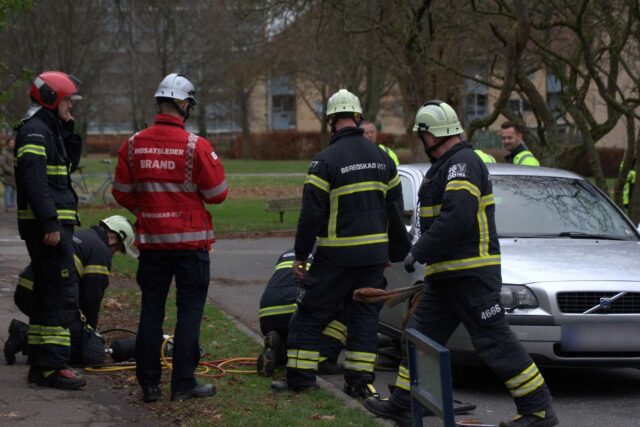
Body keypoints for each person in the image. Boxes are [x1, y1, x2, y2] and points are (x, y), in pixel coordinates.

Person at [363, 100, 558, 427]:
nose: (421, 143)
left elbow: (458, 216)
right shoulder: (447, 165)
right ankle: (402, 402)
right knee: (417, 335)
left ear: (432, 135)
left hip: (471, 274)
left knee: (494, 342)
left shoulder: (463, 163)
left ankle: (537, 410)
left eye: (422, 136)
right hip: (447, 275)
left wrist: (419, 250)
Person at [271, 89, 403, 398]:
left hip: (335, 256)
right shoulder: (383, 158)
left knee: (309, 313)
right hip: (373, 258)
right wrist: (392, 253)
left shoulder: (324, 161)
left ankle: (301, 379)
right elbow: (395, 211)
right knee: (364, 319)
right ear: (358, 118)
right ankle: (358, 382)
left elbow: (310, 216)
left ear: (331, 121)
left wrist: (300, 256)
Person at [112, 73, 228, 403]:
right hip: (191, 246)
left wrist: (150, 207)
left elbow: (121, 192)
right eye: (189, 104)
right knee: (189, 313)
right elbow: (218, 193)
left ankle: (149, 385)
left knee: (151, 309)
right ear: (183, 105)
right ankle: (183, 384)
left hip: (152, 244)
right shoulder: (196, 146)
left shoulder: (132, 145)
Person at [14, 71, 85, 390]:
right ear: (51, 98)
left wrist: (68, 128)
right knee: (60, 292)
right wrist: (50, 223)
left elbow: (68, 165)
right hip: (49, 229)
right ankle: (54, 366)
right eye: (68, 100)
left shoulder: (49, 130)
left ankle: (41, 364)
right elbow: (34, 181)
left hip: (51, 225)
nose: (72, 106)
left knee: (47, 292)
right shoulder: (36, 133)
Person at [3, 216, 137, 366]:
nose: (114, 254)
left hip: (27, 290)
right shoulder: (100, 251)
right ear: (113, 238)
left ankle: (27, 340)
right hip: (45, 295)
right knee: (78, 349)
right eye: (118, 249)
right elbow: (91, 299)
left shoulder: (83, 237)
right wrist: (88, 334)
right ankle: (24, 335)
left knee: (57, 330)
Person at [257, 249, 346, 376]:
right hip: (296, 308)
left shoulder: (288, 253)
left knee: (289, 338)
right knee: (345, 304)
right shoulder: (329, 254)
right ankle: (324, 361)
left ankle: (277, 351)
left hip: (267, 314)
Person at [1, 138, 16, 211]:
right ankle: (8, 206)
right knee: (8, 191)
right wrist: (10, 170)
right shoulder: (5, 153)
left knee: (14, 191)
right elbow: (2, 164)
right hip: (8, 176)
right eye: (11, 143)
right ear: (8, 144)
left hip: (15, 177)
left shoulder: (16, 153)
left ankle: (13, 205)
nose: (12, 144)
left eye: (13, 143)